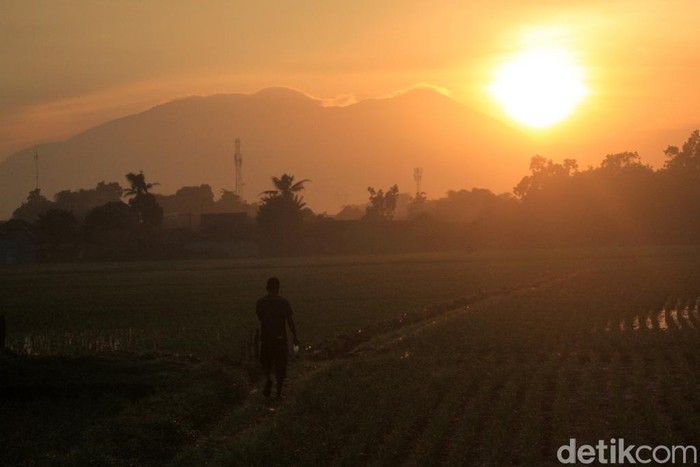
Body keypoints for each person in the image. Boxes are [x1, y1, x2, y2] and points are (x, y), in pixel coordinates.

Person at [256, 277, 299, 398]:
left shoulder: (260, 303)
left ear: (267, 288)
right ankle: (278, 393)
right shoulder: (283, 302)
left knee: (267, 363)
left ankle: (268, 379)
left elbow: (260, 318)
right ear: (278, 288)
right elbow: (290, 321)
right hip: (280, 339)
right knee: (281, 366)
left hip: (266, 339)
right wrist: (295, 336)